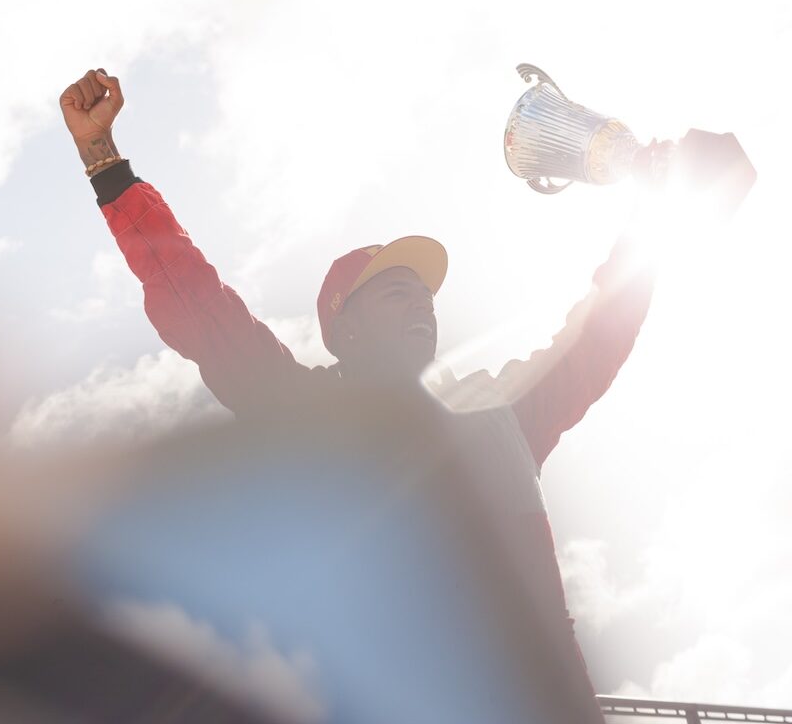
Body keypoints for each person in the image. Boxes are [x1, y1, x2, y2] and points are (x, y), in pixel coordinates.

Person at [58, 68, 754, 722]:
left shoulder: (501, 418)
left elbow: (601, 329)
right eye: (397, 292)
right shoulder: (306, 413)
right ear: (345, 325)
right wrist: (106, 163)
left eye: (424, 294)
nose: (422, 305)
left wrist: (662, 203)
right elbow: (200, 306)